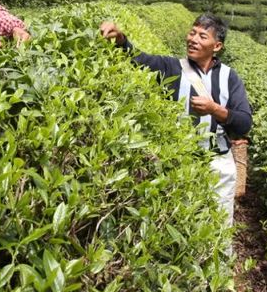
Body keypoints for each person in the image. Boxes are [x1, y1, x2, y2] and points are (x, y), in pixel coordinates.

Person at [99, 13, 252, 227]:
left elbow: (244, 124)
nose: (193, 39)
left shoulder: (230, 77)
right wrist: (120, 39)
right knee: (181, 224)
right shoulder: (171, 67)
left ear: (216, 46)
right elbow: (138, 59)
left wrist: (215, 109)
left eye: (202, 36)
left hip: (218, 163)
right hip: (180, 162)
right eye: (192, 33)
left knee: (217, 229)